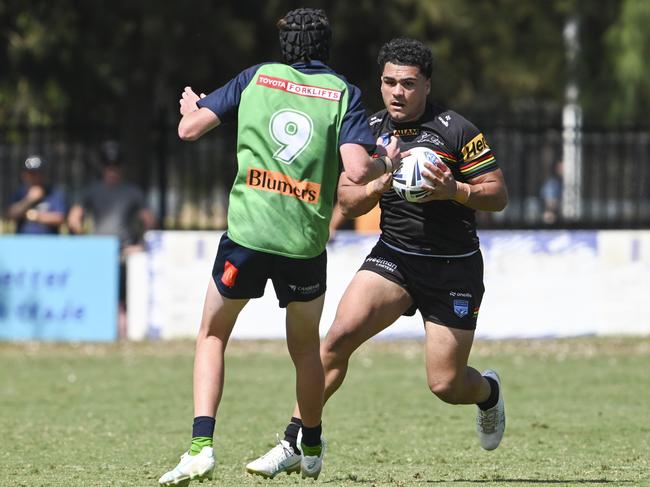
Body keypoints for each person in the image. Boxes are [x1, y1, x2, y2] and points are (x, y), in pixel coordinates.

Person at [158, 8, 401, 486]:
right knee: (306, 350)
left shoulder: (256, 78)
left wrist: (192, 109)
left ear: (285, 45)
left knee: (212, 335)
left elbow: (189, 130)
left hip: (248, 237)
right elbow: (355, 169)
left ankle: (201, 447)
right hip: (303, 243)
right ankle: (310, 442)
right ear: (325, 46)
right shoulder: (342, 93)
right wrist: (384, 161)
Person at [247, 37, 509, 478]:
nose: (396, 93)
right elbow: (347, 200)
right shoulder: (368, 131)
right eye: (388, 82)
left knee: (445, 383)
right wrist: (378, 183)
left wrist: (454, 191)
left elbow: (498, 195)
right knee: (334, 342)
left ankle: (488, 394)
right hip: (395, 259)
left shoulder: (457, 130)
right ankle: (296, 438)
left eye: (407, 84)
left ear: (426, 84)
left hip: (454, 267)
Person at [67, 143, 155, 339]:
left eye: (116, 166)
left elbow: (148, 220)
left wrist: (140, 244)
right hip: (98, 253)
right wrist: (85, 242)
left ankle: (122, 335)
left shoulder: (132, 192)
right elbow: (74, 218)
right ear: (103, 167)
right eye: (109, 166)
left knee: (122, 300)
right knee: (99, 297)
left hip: (123, 253)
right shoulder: (92, 191)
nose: (112, 170)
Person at [6, 155, 66, 234]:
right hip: (22, 241)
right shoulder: (20, 193)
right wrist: (29, 200)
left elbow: (60, 218)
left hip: (49, 242)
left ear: (43, 175)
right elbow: (11, 214)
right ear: (24, 175)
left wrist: (34, 216)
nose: (33, 177)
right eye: (30, 173)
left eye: (36, 174)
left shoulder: (53, 193)